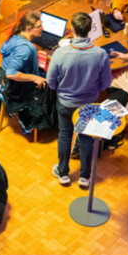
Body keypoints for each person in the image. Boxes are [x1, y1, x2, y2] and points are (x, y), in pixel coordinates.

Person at [46, 11, 112, 189]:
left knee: (65, 135)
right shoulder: (100, 54)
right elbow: (106, 83)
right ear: (90, 30)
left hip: (65, 103)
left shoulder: (60, 53)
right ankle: (85, 177)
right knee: (86, 138)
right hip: (89, 103)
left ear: (72, 30)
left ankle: (63, 173)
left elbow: (50, 82)